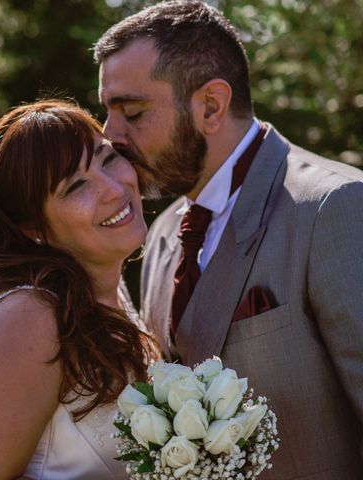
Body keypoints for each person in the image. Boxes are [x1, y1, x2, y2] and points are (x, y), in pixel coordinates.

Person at [94, 1, 363, 479]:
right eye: (108, 113)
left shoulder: (333, 208)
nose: (110, 135)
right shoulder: (159, 238)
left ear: (211, 106)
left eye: (131, 112)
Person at [0, 99, 160, 479]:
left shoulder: (114, 298)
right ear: (32, 227)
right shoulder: (26, 317)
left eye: (108, 159)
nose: (113, 188)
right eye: (76, 186)